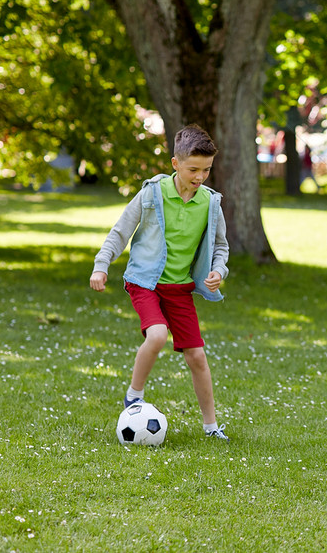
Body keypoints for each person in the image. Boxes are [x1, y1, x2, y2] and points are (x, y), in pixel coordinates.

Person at [90, 124, 231, 441]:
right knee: (156, 335)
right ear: (175, 164)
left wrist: (218, 271)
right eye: (193, 169)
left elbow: (221, 246)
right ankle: (133, 397)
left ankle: (211, 427)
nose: (199, 176)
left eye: (206, 170)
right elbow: (120, 232)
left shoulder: (210, 203)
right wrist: (101, 266)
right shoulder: (152, 194)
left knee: (197, 356)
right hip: (145, 281)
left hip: (179, 288)